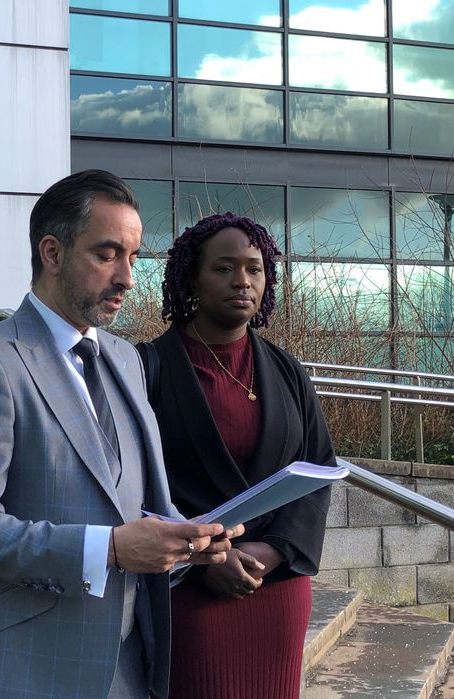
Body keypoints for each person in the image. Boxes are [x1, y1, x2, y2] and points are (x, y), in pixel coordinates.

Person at [0, 170, 243, 698]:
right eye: (106, 255)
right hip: (25, 671)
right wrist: (111, 549)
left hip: (125, 670)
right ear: (52, 253)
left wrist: (183, 544)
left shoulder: (125, 359)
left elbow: (143, 508)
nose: (127, 277)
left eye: (133, 257)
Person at [138, 212, 336, 699]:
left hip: (275, 587)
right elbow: (127, 481)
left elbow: (320, 469)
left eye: (254, 268)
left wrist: (274, 550)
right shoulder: (147, 368)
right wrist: (203, 558)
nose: (242, 281)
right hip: (190, 590)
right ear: (192, 278)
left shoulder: (286, 369)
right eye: (224, 268)